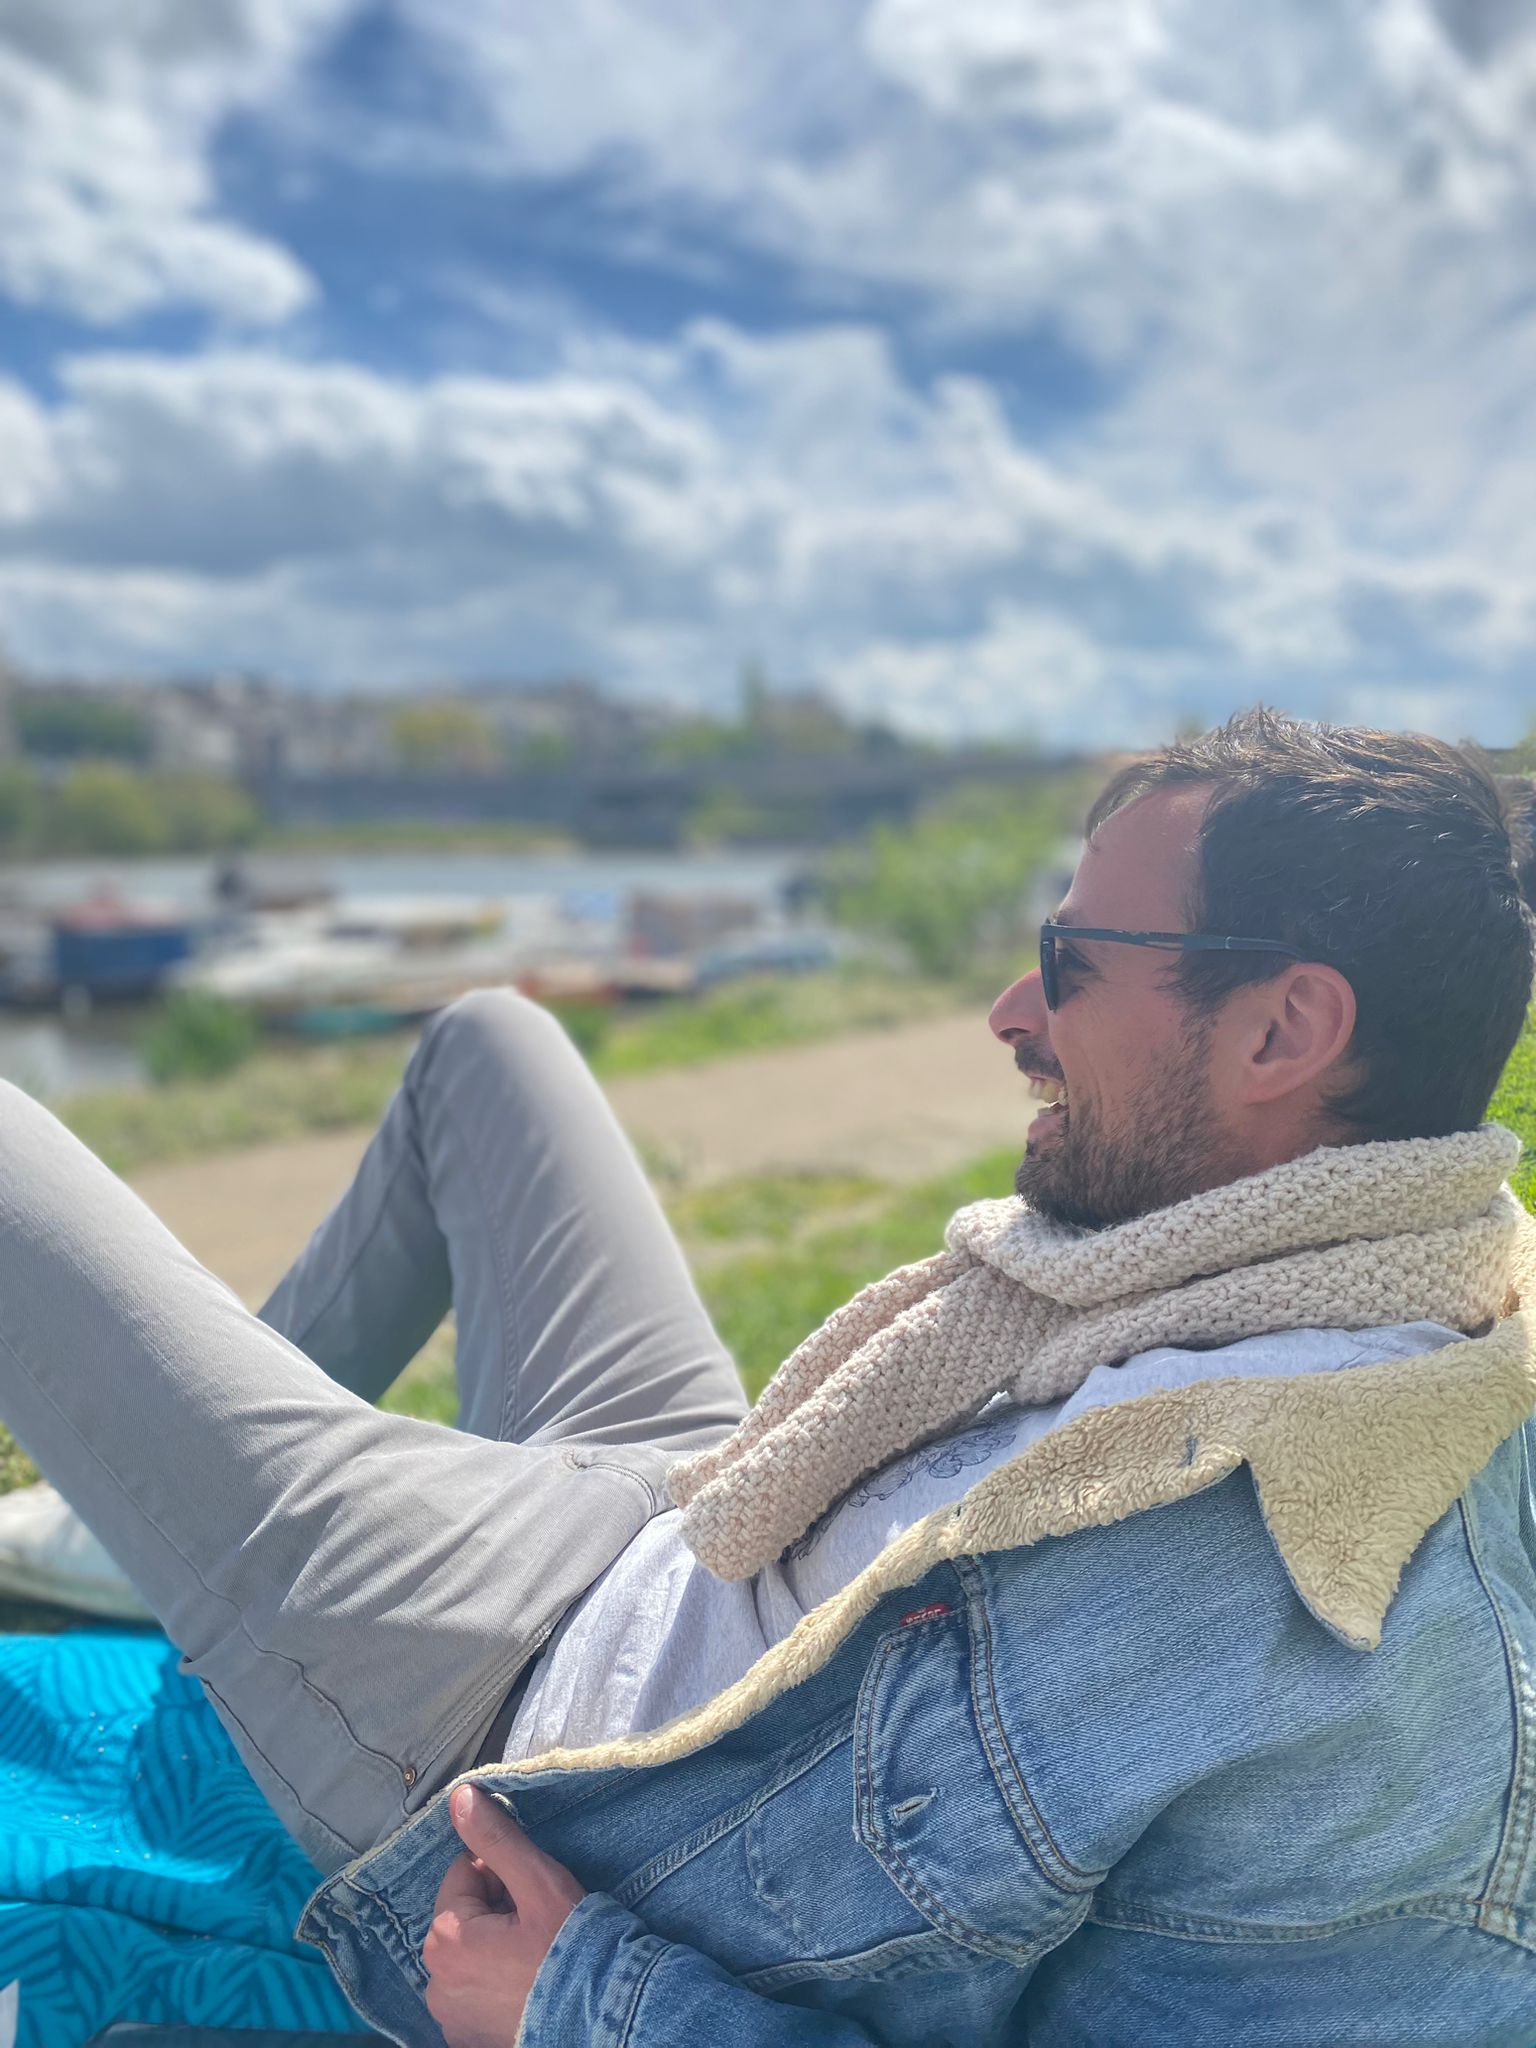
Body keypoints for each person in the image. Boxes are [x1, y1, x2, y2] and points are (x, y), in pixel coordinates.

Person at [1, 706, 1534, 2047]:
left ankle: (196, 1540)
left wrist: (579, 2003)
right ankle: (148, 1517)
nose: (1011, 1014)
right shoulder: (1371, 1276)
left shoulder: (1353, 1632)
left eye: (1069, 965)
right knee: (489, 1042)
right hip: (704, 1509)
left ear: (1283, 1029)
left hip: (497, 1707)